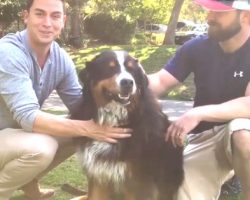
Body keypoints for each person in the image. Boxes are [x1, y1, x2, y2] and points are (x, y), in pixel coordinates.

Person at [0, 0, 131, 199]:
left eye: (55, 16)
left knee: (75, 132)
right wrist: (89, 127)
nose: (47, 22)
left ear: (63, 21)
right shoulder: (8, 53)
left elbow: (80, 105)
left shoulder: (60, 58)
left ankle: (28, 182)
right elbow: (27, 116)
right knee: (43, 147)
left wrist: (127, 111)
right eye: (39, 14)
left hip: (13, 136)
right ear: (26, 16)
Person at [148, 0, 250, 199]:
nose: (209, 17)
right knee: (174, 191)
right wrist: (131, 79)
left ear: (246, 16)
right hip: (205, 140)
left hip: (243, 134)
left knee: (241, 133)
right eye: (209, 10)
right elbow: (161, 80)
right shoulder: (196, 47)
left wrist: (198, 113)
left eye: (219, 12)